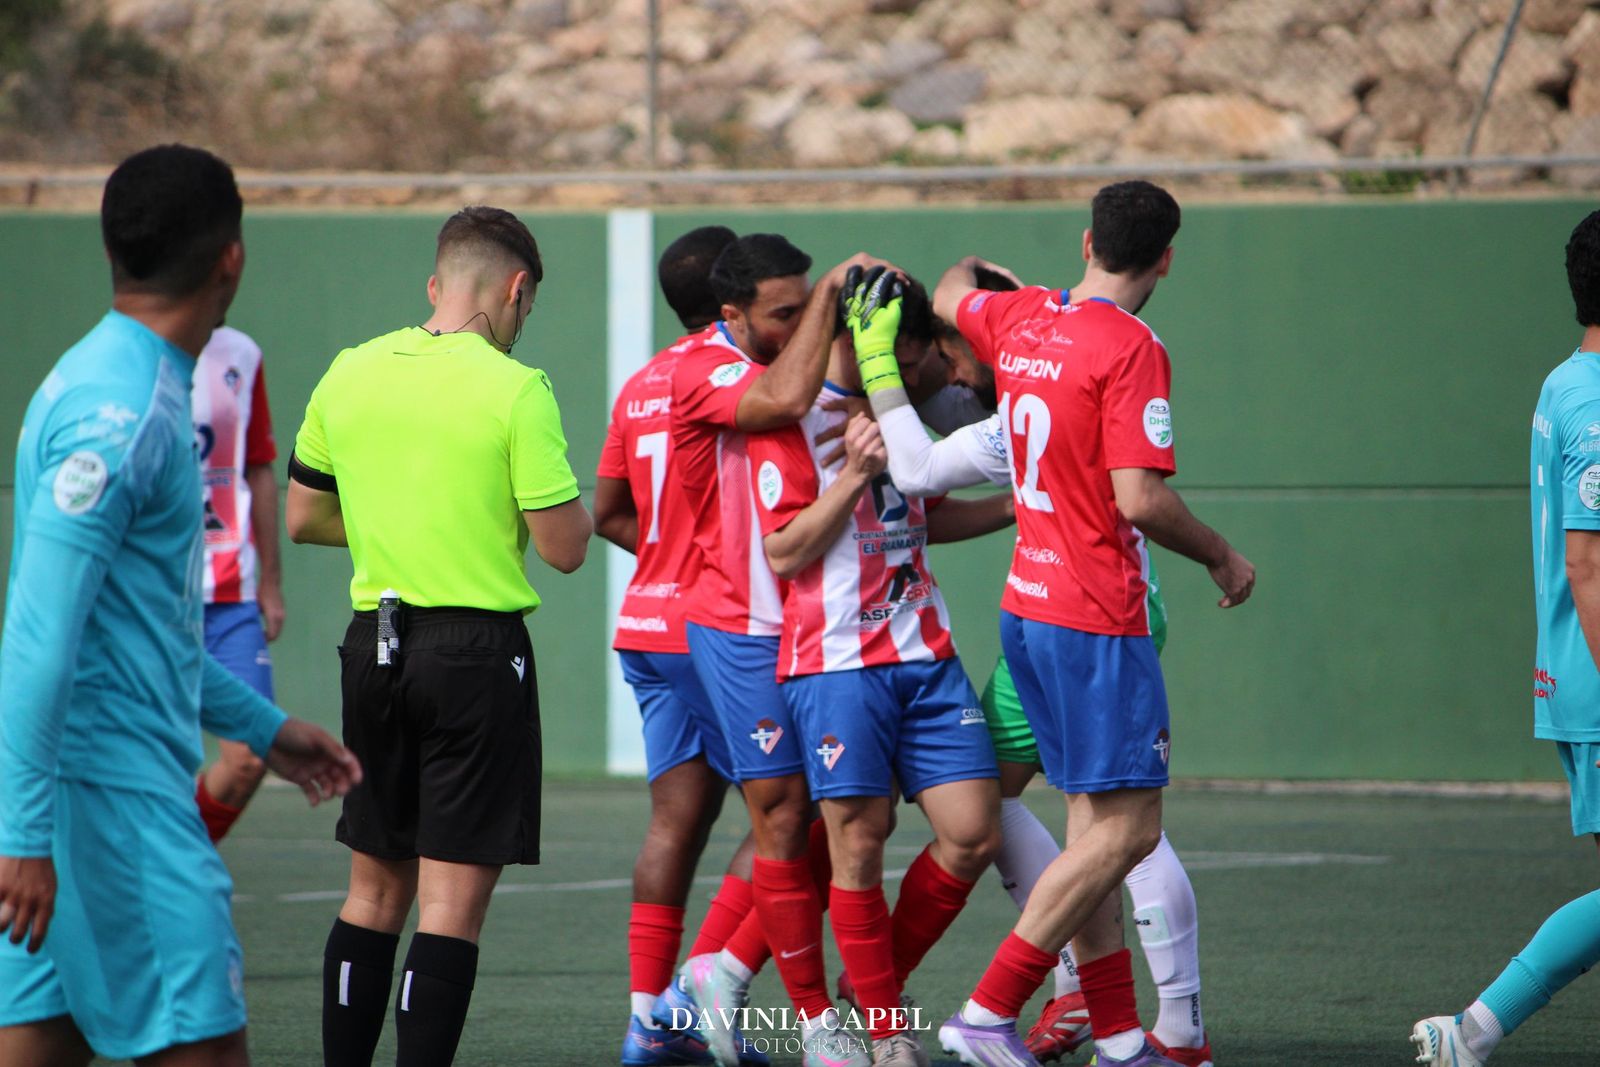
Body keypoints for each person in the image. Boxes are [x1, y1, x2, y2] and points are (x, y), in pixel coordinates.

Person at [0, 143, 360, 1067]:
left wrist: (264, 725)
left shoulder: (100, 376)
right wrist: (22, 835)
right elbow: (39, 637)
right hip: (117, 820)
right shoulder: (122, 415)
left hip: (80, 811)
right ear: (231, 255)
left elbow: (132, 631)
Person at [930, 180, 1255, 1067]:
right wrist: (1223, 554)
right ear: (1166, 259)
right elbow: (1139, 499)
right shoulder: (1133, 345)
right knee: (1130, 829)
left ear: (1085, 241)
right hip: (1096, 614)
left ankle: (1118, 1035)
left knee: (1091, 830)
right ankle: (990, 1009)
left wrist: (987, 280)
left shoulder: (1024, 317)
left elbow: (951, 287)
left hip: (1027, 610)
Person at [854, 282, 1209, 1066]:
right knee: (1103, 823)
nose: (944, 375)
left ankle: (1164, 1021)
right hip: (1066, 621)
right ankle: (1112, 1024)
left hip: (1079, 619)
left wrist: (880, 357)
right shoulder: (1034, 385)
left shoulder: (1032, 374)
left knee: (1119, 827)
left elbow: (955, 296)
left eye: (946, 355)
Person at [287, 206, 592, 1067]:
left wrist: (401, 520)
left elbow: (305, 516)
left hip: (370, 644)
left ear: (435, 284)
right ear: (516, 289)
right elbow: (566, 549)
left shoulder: (350, 369)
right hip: (474, 655)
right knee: (450, 906)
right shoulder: (515, 387)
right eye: (526, 307)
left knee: (372, 891)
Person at [748, 272, 1013, 1067]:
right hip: (834, 667)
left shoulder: (901, 412)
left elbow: (924, 513)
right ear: (872, 341)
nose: (924, 372)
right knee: (858, 845)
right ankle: (889, 1036)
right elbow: (785, 550)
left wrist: (1021, 503)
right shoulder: (792, 418)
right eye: (911, 353)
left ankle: (871, 990)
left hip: (925, 656)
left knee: (972, 831)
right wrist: (856, 473)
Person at [669, 233, 892, 1067]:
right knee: (787, 815)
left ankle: (720, 965)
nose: (803, 322)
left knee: (857, 812)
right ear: (732, 317)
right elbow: (789, 397)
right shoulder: (706, 368)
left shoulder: (773, 347)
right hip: (744, 626)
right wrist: (833, 297)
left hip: (826, 620)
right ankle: (813, 1020)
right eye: (785, 312)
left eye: (807, 304)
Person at [1409, 210, 1600, 1065]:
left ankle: (1472, 1031)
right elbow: (1588, 565)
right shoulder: (1594, 400)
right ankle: (1473, 1029)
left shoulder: (1570, 380)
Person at [595, 224, 772, 1067]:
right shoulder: (746, 376)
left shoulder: (640, 385)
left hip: (646, 625)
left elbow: (607, 510)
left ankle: (646, 1022)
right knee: (795, 811)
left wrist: (670, 553)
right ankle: (701, 990)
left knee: (676, 821)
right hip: (718, 626)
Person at [192, 325, 285, 842]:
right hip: (157, 601)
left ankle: (177, 863)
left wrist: (270, 582)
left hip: (231, 597)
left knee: (250, 758)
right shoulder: (130, 355)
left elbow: (258, 468)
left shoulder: (243, 354)